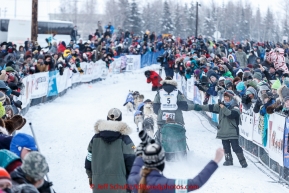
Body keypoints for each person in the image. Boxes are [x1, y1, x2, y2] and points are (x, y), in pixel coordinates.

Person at [127, 132, 224, 193]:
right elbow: (195, 183)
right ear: (161, 163)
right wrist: (215, 161)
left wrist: (142, 153)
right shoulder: (165, 185)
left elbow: (135, 170)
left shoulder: (133, 180)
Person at [191, 90, 248, 168]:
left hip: (232, 132)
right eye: (225, 97)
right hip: (223, 131)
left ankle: (243, 161)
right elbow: (208, 107)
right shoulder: (221, 106)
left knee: (236, 147)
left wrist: (222, 107)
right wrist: (194, 107)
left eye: (227, 97)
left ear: (231, 97)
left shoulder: (235, 106)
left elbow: (230, 114)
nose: (226, 98)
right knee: (226, 147)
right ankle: (228, 160)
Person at [84, 108, 135, 193]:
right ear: (120, 120)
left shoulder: (95, 138)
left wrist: (90, 177)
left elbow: (89, 159)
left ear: (107, 119)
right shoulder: (125, 139)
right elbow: (132, 163)